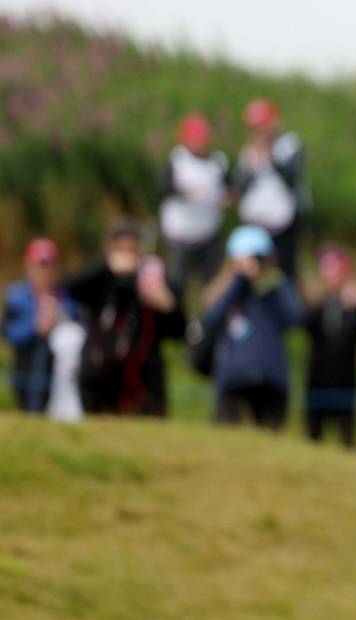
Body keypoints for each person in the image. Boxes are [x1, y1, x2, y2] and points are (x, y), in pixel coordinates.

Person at [64, 220, 185, 417]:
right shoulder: (99, 280)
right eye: (121, 250)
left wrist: (169, 306)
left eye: (132, 250)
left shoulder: (153, 283)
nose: (127, 258)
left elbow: (180, 332)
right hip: (100, 381)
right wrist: (106, 267)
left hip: (144, 386)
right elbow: (69, 288)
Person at [199, 225, 305, 429]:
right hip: (232, 378)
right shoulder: (227, 291)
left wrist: (271, 280)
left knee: (271, 438)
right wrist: (238, 281)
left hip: (272, 378)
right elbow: (211, 320)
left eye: (258, 258)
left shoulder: (276, 287)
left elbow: (296, 318)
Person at [158, 112, 231, 298]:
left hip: (208, 233)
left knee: (211, 284)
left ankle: (209, 315)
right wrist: (187, 193)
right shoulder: (177, 159)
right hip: (179, 235)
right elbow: (164, 188)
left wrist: (225, 198)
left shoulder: (218, 161)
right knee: (177, 284)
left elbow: (230, 190)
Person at [302, 244, 356, 448]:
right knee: (314, 430)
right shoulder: (319, 305)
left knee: (346, 430)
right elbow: (306, 327)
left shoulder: (353, 306)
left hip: (345, 378)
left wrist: (355, 307)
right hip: (318, 377)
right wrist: (311, 305)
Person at [234, 98, 309, 275]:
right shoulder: (247, 153)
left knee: (284, 275)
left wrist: (271, 156)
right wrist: (250, 168)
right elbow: (240, 187)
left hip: (284, 229)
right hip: (254, 227)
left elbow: (293, 177)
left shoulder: (289, 145)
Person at [4, 238, 78, 413]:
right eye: (40, 265)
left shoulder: (68, 298)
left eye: (50, 265)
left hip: (60, 380)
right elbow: (8, 332)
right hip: (26, 372)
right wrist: (35, 328)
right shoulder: (15, 297)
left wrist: (59, 320)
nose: (45, 271)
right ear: (29, 266)